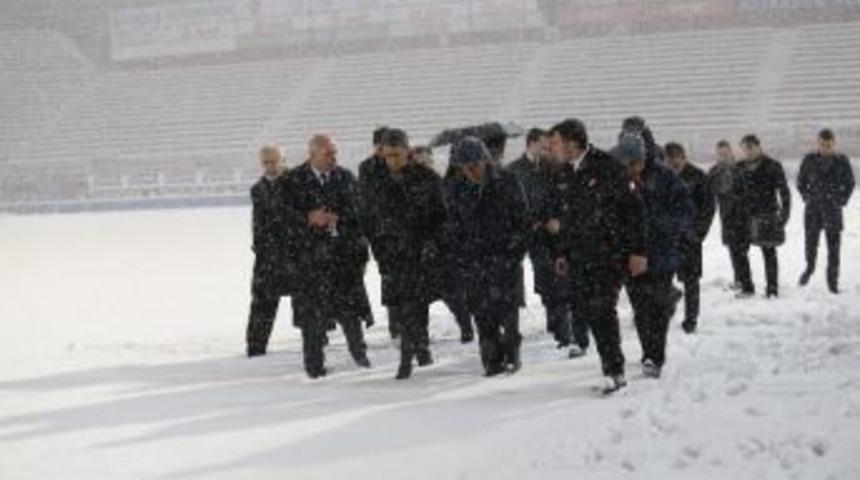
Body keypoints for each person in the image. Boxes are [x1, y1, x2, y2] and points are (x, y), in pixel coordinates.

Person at [549, 119, 647, 394]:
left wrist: (638, 251)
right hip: (580, 256)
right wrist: (561, 252)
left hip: (609, 254)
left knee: (602, 309)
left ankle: (614, 371)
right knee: (592, 312)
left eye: (556, 142)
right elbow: (567, 216)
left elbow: (634, 210)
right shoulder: (566, 172)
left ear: (571, 142)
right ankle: (610, 366)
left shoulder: (607, 166)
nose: (552, 148)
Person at [285, 134, 373, 379]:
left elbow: (360, 213)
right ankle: (314, 367)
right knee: (311, 320)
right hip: (309, 262)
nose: (334, 158)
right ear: (312, 154)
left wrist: (340, 220)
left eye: (335, 153)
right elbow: (280, 218)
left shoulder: (345, 177)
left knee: (350, 313)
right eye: (328, 154)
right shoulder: (293, 180)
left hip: (342, 259)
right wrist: (308, 218)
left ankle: (360, 357)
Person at [364, 129, 447, 379]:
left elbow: (442, 217)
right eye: (387, 156)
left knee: (415, 307)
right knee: (403, 308)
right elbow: (370, 220)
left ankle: (409, 358)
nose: (391, 161)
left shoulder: (428, 178)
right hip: (392, 256)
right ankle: (418, 351)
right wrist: (380, 252)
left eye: (396, 155)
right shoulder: (378, 181)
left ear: (407, 152)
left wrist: (432, 246)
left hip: (421, 253)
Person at [445, 136, 530, 376]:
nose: (471, 171)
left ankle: (512, 355)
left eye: (474, 165)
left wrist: (514, 253)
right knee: (484, 321)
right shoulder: (455, 189)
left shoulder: (508, 181)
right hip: (475, 265)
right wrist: (462, 260)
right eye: (465, 167)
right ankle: (491, 362)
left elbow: (522, 221)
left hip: (506, 261)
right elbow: (452, 229)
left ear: (485, 160)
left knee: (509, 318)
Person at [617, 135, 694, 379]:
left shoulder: (666, 177)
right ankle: (648, 351)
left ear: (642, 159)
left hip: (662, 254)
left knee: (658, 307)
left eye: (632, 164)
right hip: (631, 255)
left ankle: (656, 356)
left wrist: (660, 226)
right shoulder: (619, 179)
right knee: (641, 307)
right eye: (625, 165)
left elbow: (685, 212)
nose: (629, 169)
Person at [246, 145, 293, 357]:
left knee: (309, 302)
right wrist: (260, 249)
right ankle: (256, 346)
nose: (270, 166)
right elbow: (258, 223)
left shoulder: (298, 182)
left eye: (274, 161)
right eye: (266, 162)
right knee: (262, 301)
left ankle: (317, 344)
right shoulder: (258, 189)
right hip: (268, 256)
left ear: (283, 160)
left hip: (296, 252)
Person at [797, 128, 855, 294]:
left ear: (834, 144)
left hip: (833, 210)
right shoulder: (809, 159)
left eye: (829, 145)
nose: (826, 147)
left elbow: (850, 182)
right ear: (818, 143)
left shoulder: (842, 160)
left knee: (834, 250)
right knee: (810, 245)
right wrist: (808, 198)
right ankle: (809, 268)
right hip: (813, 210)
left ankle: (832, 282)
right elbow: (801, 182)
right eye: (823, 144)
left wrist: (841, 200)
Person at [666, 142, 715, 334]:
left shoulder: (697, 176)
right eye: (670, 160)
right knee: (662, 280)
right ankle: (666, 307)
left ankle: (691, 319)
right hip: (668, 238)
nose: (674, 163)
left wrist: (699, 233)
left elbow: (708, 207)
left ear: (684, 157)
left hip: (690, 238)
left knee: (691, 281)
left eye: (677, 158)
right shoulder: (662, 176)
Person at [734, 134, 791, 299]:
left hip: (767, 215)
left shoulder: (772, 165)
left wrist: (784, 215)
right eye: (745, 149)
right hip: (744, 217)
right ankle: (747, 287)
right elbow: (735, 193)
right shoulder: (739, 167)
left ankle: (772, 289)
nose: (748, 152)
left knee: (769, 252)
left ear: (759, 146)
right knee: (739, 252)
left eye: (750, 148)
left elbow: (784, 192)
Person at [708, 140, 744, 290]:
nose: (723, 156)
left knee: (741, 250)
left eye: (725, 153)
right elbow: (709, 194)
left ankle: (743, 279)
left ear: (731, 152)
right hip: (726, 216)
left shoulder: (740, 168)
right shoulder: (714, 171)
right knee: (733, 248)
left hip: (742, 215)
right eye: (720, 154)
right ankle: (739, 278)